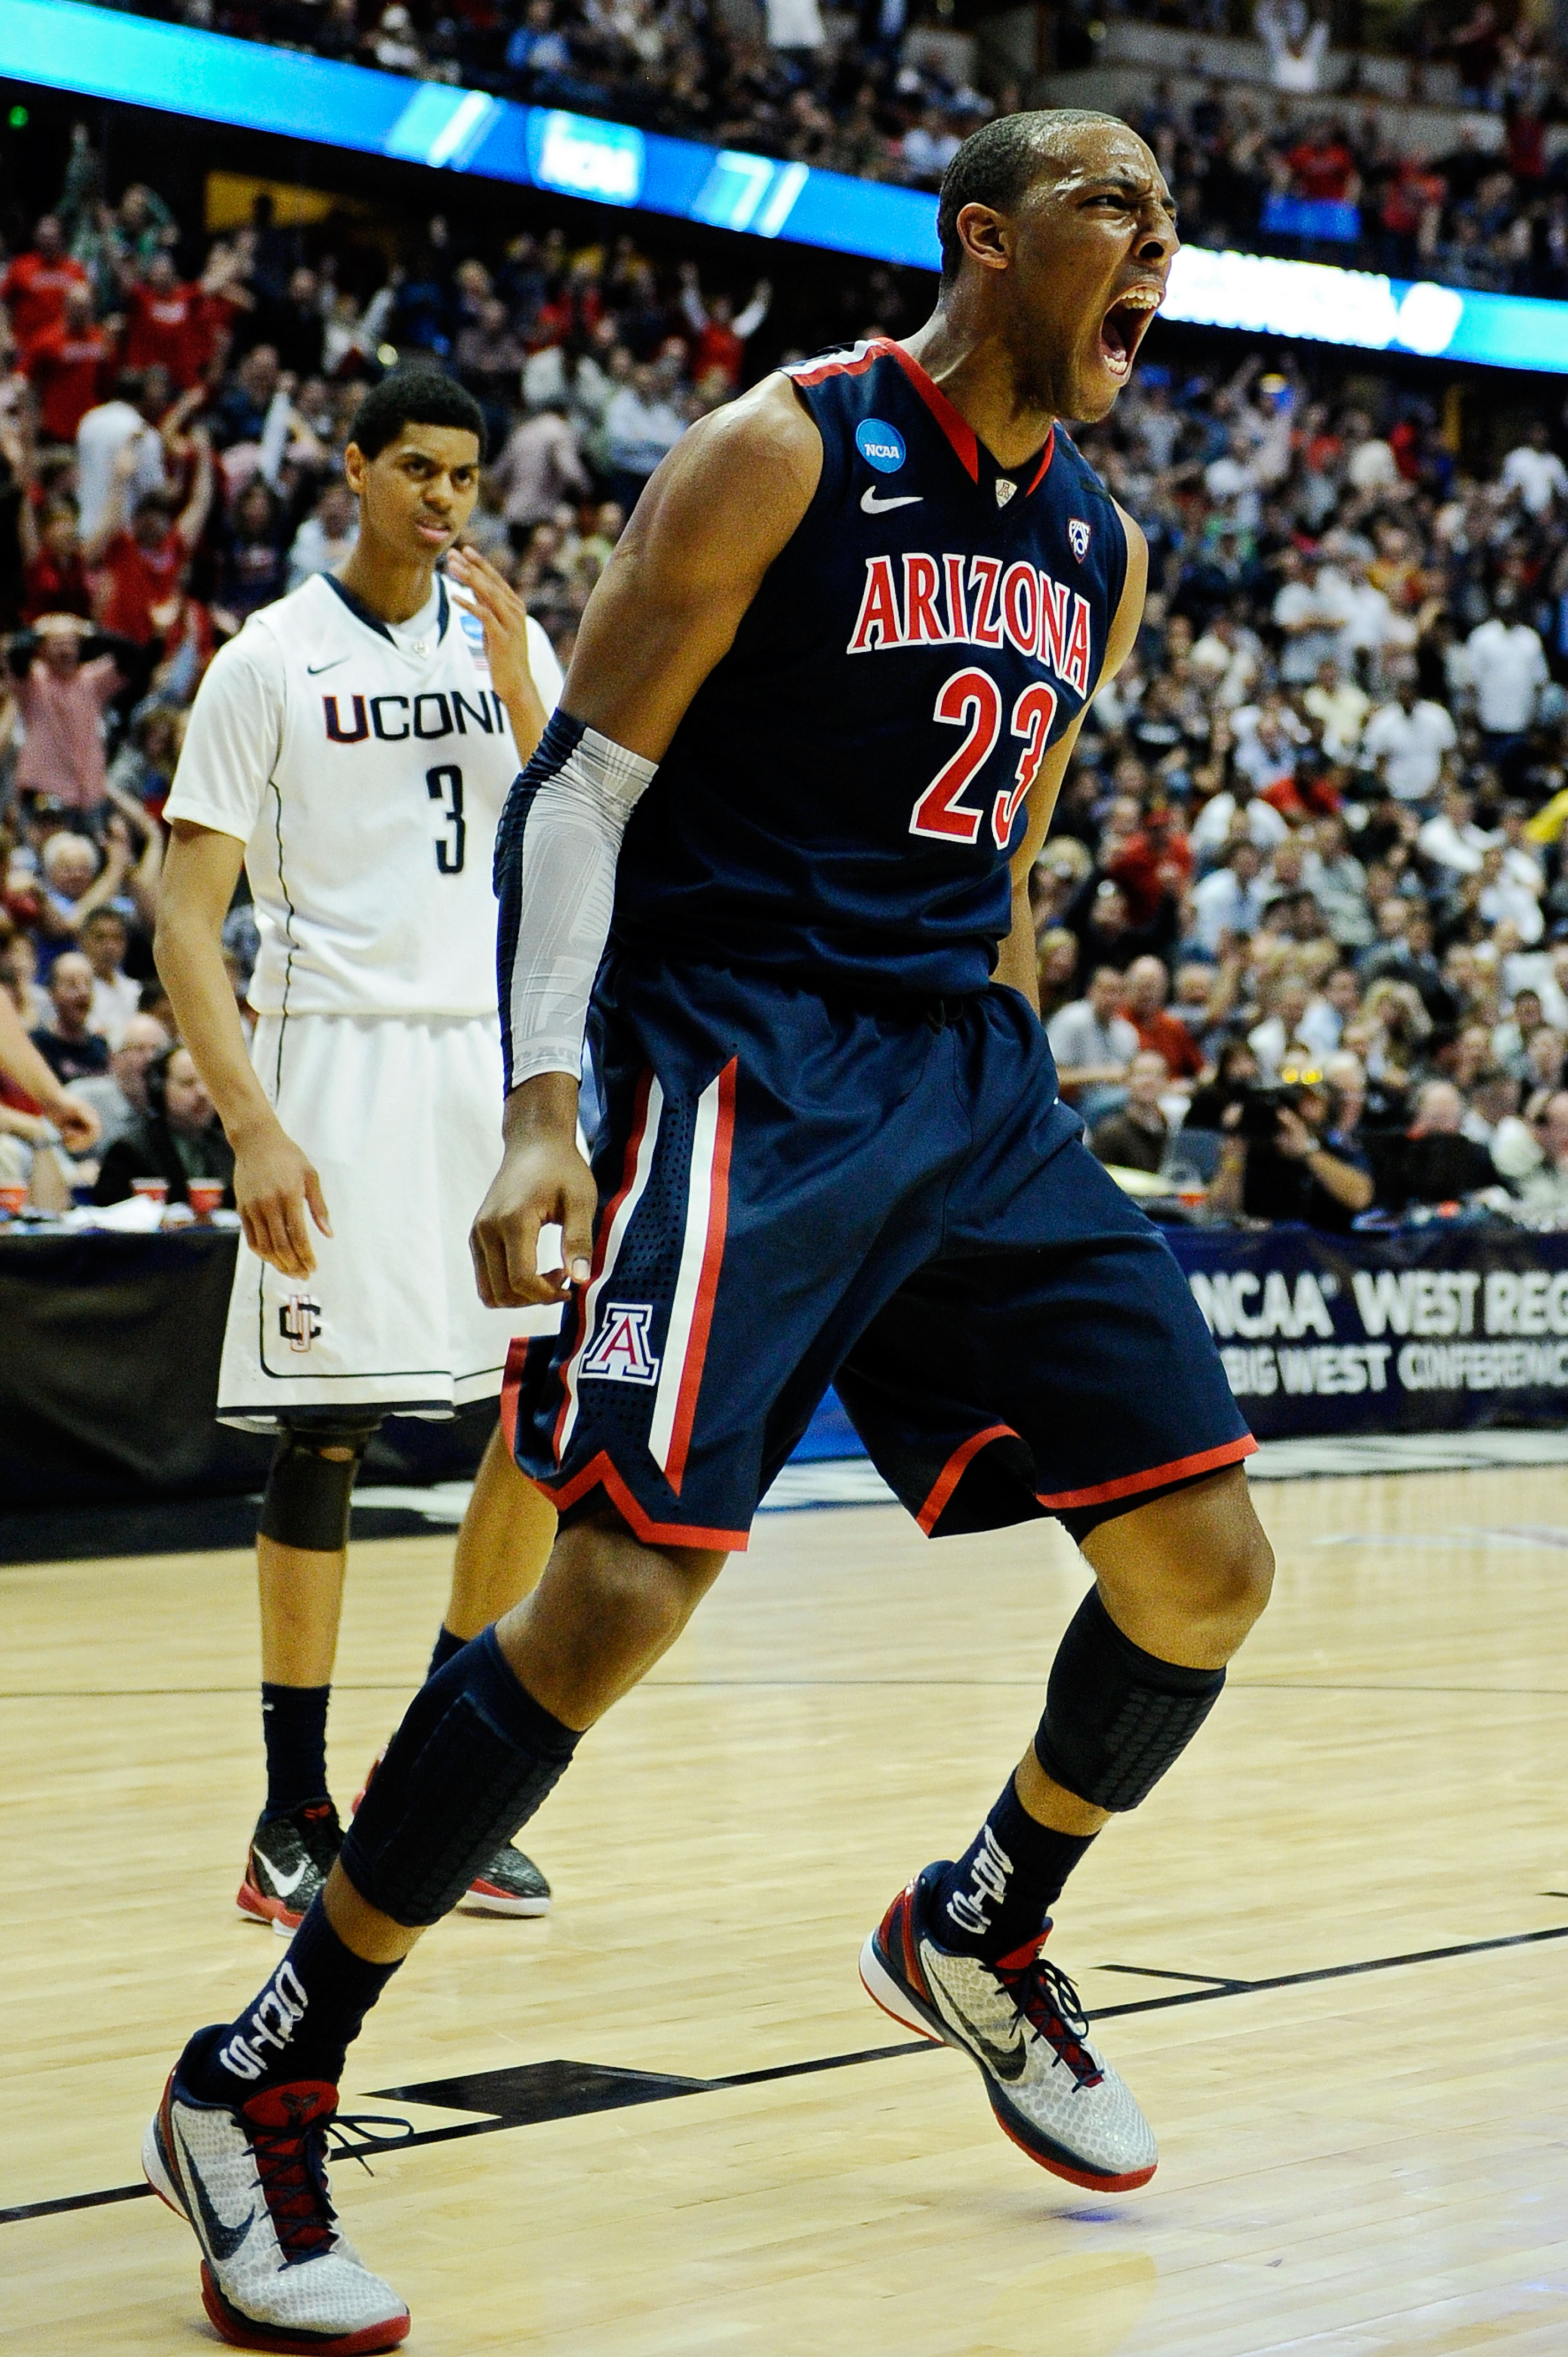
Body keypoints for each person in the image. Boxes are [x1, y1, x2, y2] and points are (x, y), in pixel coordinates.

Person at [148, 114, 1275, 2353]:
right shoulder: (786, 449)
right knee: (621, 1586)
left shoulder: (1099, 542)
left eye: (1174, 218)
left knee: (1207, 1563)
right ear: (987, 236)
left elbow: (1016, 849)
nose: (1161, 244)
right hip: (743, 1049)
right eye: (1115, 207)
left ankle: (983, 1917)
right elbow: (587, 783)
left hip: (963, 1072)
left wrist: (1036, 1084)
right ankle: (260, 2065)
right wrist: (545, 1101)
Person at [150, 367, 567, 1954]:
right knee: (324, 1433)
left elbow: (588, 818)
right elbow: (188, 917)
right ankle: (290, 1816)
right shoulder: (271, 659)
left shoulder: (504, 636)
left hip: (493, 1061)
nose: (446, 497)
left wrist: (533, 681)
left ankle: (433, 1785)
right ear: (352, 472)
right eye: (416, 467)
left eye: (464, 472)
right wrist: (252, 1119)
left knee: (540, 1412)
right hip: (334, 1062)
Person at [94, 1042, 234, 1206]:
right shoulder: (129, 1151)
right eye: (188, 1084)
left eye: (208, 1083)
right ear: (159, 1089)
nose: (202, 1093)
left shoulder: (228, 1147)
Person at [1044, 960, 1138, 1121]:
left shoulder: (1127, 1032)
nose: (1112, 998)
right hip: (1070, 1105)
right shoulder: (1071, 1020)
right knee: (1130, 1098)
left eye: (1119, 992)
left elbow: (1131, 1075)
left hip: (1112, 1100)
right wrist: (1101, 1074)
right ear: (1091, 991)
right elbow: (1051, 1077)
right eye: (1107, 991)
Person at [29, 949, 109, 1084]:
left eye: (88, 984)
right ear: (52, 992)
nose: (83, 992)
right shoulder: (38, 1044)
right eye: (72, 985)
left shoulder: (100, 1046)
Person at [1089, 1047, 1172, 1173]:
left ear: (1166, 1082)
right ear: (1127, 1081)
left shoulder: (1167, 1128)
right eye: (1141, 1075)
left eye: (1157, 1075)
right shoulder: (1111, 1133)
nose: (1149, 1081)